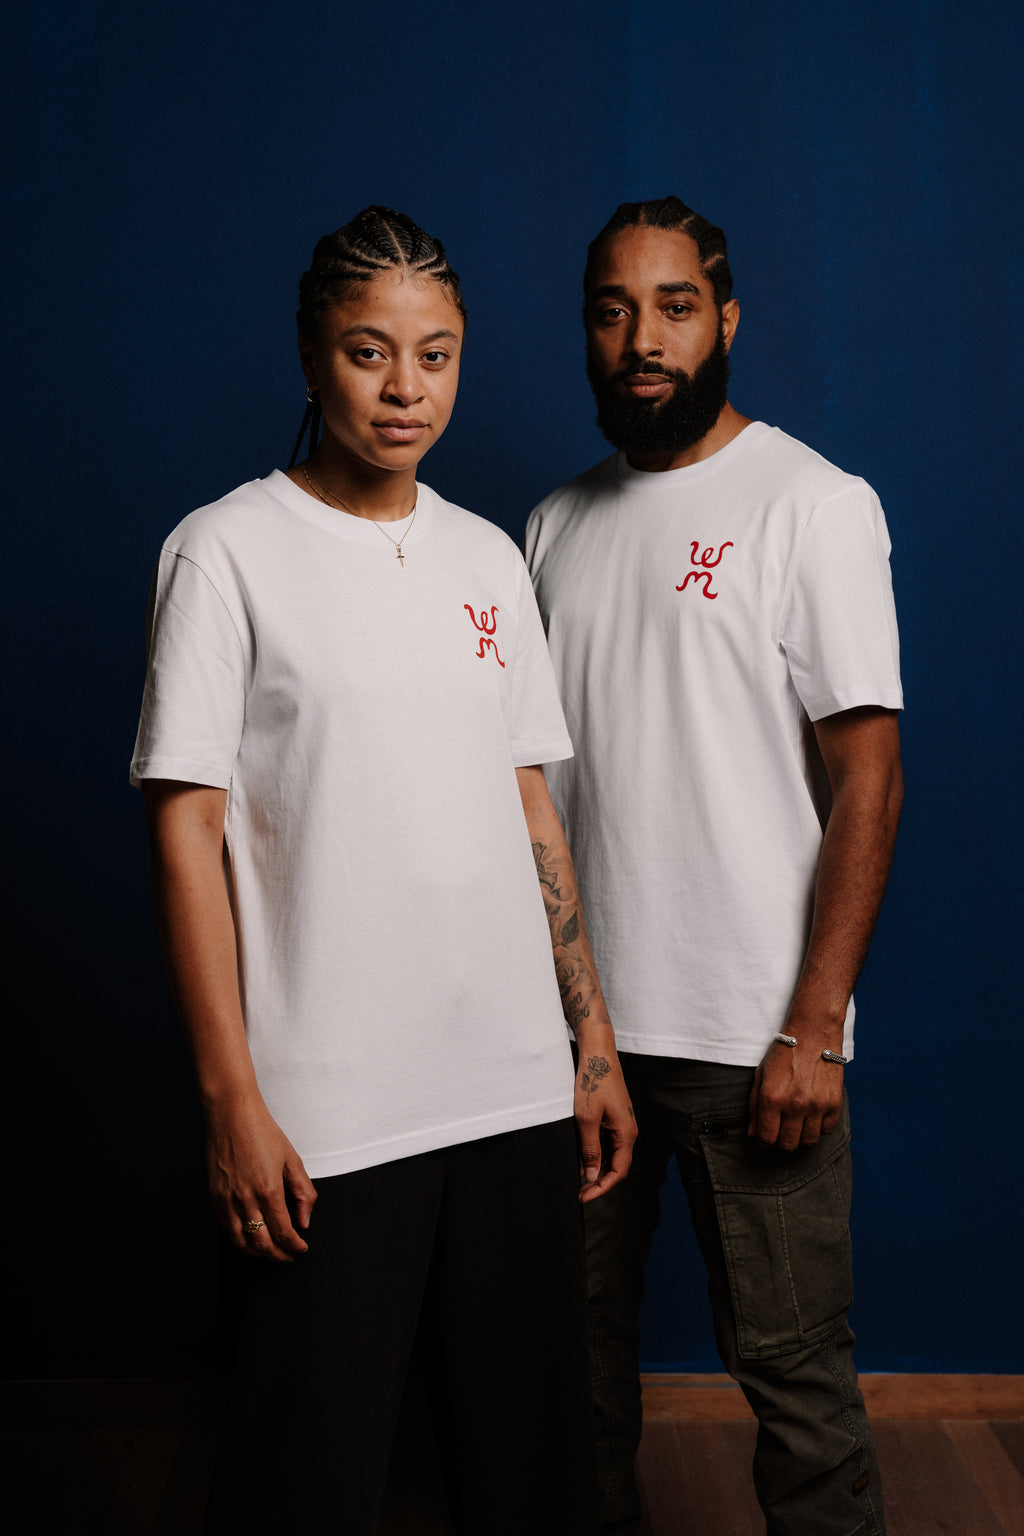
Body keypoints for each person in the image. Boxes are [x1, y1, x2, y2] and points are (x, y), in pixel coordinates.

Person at [131, 205, 635, 1536]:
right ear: (311, 359)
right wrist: (231, 1095)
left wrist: (588, 1043)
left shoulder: (484, 557)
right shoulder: (224, 550)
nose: (407, 388)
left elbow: (530, 799)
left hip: (512, 1082)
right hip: (333, 1108)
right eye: (369, 352)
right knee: (311, 1476)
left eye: (437, 354)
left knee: (531, 1477)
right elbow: (185, 828)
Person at [525, 196, 904, 1536]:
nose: (644, 338)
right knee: (569, 1385)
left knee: (797, 1387)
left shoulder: (813, 504)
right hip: (580, 1046)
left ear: (726, 321)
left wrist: (814, 1023)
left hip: (759, 1043)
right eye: (615, 309)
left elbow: (871, 775)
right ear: (587, 332)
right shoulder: (552, 526)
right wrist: (558, 1025)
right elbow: (536, 796)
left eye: (675, 306)